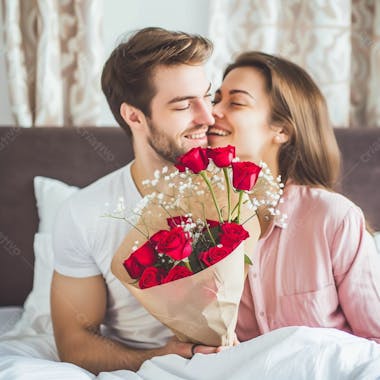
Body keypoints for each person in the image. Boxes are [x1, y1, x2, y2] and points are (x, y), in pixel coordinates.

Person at [50, 27, 217, 374]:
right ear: (134, 116)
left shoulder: (241, 187)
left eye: (208, 96)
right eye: (184, 105)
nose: (208, 117)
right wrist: (157, 358)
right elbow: (74, 341)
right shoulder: (84, 213)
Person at [208, 51, 380, 343]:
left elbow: (375, 340)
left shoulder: (333, 218)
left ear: (282, 130)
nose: (212, 112)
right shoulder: (201, 221)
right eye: (216, 99)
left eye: (236, 102)